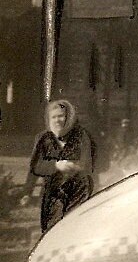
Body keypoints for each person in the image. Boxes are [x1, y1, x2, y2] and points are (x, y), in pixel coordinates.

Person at [29, 100, 97, 233]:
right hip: (53, 194)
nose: (57, 120)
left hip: (78, 191)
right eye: (53, 117)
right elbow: (36, 166)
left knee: (75, 229)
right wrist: (56, 165)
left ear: (68, 117)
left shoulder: (81, 136)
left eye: (61, 116)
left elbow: (88, 163)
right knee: (52, 231)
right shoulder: (43, 138)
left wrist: (73, 167)